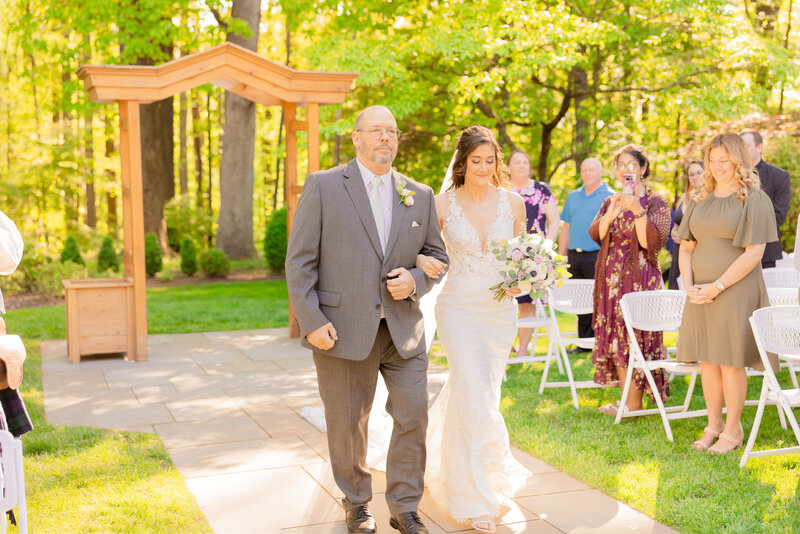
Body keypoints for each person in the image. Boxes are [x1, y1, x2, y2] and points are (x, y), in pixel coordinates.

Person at [285, 105, 448, 534]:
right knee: (348, 422)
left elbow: (438, 256)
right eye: (375, 131)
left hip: (403, 331)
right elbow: (299, 262)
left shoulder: (420, 193)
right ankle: (357, 503)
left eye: (392, 131)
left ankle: (404, 506)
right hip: (340, 330)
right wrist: (312, 320)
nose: (385, 138)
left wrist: (414, 280)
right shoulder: (323, 186)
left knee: (413, 415)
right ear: (356, 138)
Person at [417, 125, 531, 533]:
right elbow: (423, 250)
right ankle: (471, 496)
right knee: (473, 387)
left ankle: (451, 468)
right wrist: (423, 263)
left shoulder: (514, 204)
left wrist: (525, 278)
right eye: (475, 161)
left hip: (500, 310)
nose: (483, 168)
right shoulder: (442, 204)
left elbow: (523, 257)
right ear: (462, 163)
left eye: (490, 161)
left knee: (480, 391)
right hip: (459, 306)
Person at [676, 133, 778, 454]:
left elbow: (754, 252)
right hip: (700, 292)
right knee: (709, 359)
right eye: (712, 160)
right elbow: (687, 247)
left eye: (724, 159)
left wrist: (717, 286)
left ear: (738, 159)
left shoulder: (754, 198)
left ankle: (733, 430)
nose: (717, 166)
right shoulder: (699, 198)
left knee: (730, 361)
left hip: (735, 289)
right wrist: (689, 284)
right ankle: (713, 424)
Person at [588, 145, 671, 415]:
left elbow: (652, 244)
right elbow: (596, 234)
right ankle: (628, 401)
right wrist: (612, 213)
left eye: (631, 164)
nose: (626, 169)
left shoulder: (655, 201)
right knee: (617, 339)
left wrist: (636, 209)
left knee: (635, 337)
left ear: (643, 168)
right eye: (621, 164)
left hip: (640, 280)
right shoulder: (609, 201)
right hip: (610, 281)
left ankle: (634, 402)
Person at [507, 149, 559, 358]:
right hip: (507, 251)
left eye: (525, 162)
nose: (521, 166)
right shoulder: (501, 189)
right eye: (516, 162)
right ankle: (505, 346)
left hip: (534, 252)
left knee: (526, 301)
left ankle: (522, 351)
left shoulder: (541, 189)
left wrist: (547, 246)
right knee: (504, 300)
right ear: (508, 167)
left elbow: (554, 220)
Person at [558, 158, 614, 345]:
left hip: (597, 255)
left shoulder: (611, 197)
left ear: (600, 172)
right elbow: (565, 227)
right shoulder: (573, 196)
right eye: (584, 170)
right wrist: (561, 256)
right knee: (579, 299)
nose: (587, 173)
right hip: (575, 255)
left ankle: (599, 342)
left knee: (598, 299)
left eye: (591, 170)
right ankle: (583, 342)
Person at [741, 130, 791, 269]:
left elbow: (778, 217)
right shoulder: (729, 174)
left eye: (747, 145)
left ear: (760, 147)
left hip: (765, 252)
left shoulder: (779, 176)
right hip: (731, 250)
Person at [667, 161, 705, 289]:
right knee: (676, 293)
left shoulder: (710, 198)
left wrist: (684, 236)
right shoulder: (684, 198)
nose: (695, 177)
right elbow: (677, 225)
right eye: (691, 174)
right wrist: (674, 232)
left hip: (695, 253)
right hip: (679, 251)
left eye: (699, 173)